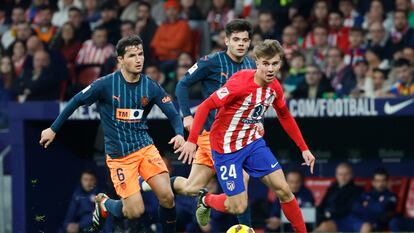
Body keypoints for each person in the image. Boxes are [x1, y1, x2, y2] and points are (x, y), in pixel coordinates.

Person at [39, 35, 185, 232]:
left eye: (140, 54)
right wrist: (53, 128)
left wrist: (179, 134)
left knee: (167, 196)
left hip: (145, 148)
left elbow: (174, 114)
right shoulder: (105, 85)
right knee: (135, 211)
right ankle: (105, 204)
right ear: (121, 60)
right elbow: (75, 101)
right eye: (132, 55)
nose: (138, 59)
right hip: (120, 157)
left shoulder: (150, 85)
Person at [177, 40, 315, 233]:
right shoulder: (240, 82)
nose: (270, 68)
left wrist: (304, 148)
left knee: (284, 190)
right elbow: (206, 106)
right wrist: (191, 141)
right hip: (225, 149)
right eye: (265, 63)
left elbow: (284, 115)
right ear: (257, 62)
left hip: (252, 143)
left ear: (280, 64)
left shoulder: (275, 87)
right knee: (238, 206)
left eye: (274, 63)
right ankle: (206, 199)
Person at [142, 19, 256, 227]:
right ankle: (246, 229)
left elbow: (255, 97)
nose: (241, 44)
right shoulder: (211, 61)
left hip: (236, 138)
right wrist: (186, 116)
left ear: (250, 43)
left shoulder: (251, 65)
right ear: (226, 40)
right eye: (236, 40)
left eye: (245, 40)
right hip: (214, 136)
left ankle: (153, 183)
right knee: (243, 180)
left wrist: (258, 120)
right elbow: (182, 85)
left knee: (191, 188)